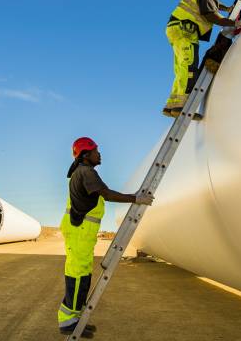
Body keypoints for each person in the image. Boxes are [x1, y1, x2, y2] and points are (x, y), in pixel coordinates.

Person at [57, 137, 154, 337]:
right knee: (77, 275)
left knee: (82, 274)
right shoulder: (86, 172)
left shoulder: (82, 172)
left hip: (80, 230)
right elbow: (106, 194)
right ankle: (68, 321)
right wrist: (136, 198)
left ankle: (76, 319)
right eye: (95, 151)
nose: (99, 154)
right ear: (86, 154)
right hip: (79, 230)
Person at [163, 0, 238, 118]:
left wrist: (226, 8)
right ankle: (181, 108)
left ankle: (172, 105)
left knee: (182, 68)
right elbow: (210, 14)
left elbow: (211, 4)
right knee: (189, 68)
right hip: (185, 30)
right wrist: (234, 23)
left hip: (178, 28)